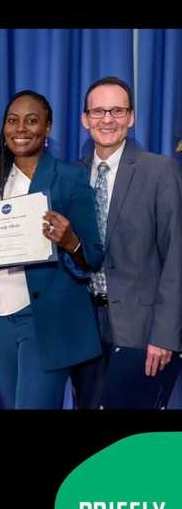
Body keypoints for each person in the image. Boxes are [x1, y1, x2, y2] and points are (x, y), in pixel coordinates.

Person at [0, 90, 103, 409]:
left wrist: (70, 241)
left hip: (44, 320)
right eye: (12, 120)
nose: (21, 128)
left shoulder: (70, 177)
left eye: (32, 121)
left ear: (48, 127)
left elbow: (93, 255)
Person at [69, 76, 182, 409]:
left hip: (141, 331)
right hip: (84, 328)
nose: (107, 120)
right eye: (99, 111)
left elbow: (177, 257)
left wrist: (165, 335)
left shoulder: (159, 171)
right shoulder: (73, 175)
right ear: (85, 119)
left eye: (117, 111)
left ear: (131, 117)